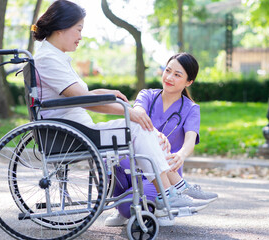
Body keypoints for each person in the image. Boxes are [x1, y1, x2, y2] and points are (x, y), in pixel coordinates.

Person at [31, 0, 208, 216]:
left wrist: (105, 93)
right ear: (61, 27)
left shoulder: (54, 57)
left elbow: (78, 95)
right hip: (72, 134)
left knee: (140, 128)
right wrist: (129, 112)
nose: (80, 36)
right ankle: (170, 192)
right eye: (79, 29)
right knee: (137, 127)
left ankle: (172, 190)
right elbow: (82, 100)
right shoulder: (49, 58)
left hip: (75, 129)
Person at [104, 52, 218, 227]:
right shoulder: (147, 95)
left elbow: (190, 139)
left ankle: (163, 201)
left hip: (164, 172)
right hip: (135, 166)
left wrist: (181, 154)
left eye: (177, 75)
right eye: (168, 71)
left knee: (128, 208)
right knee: (111, 162)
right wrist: (154, 134)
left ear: (189, 82)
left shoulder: (191, 108)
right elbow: (138, 114)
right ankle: (178, 190)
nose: (169, 77)